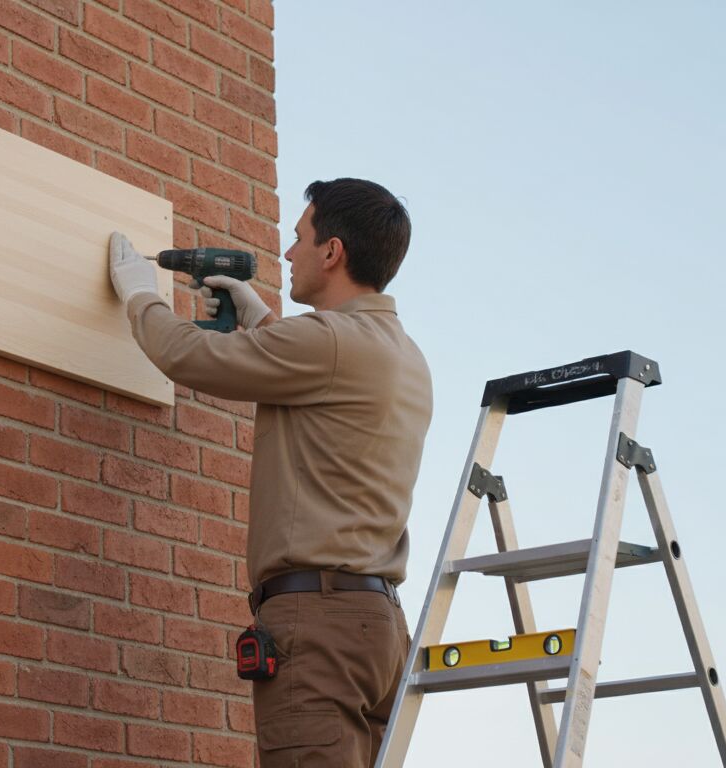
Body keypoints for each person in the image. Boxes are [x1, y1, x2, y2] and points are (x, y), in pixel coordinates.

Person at [109, 178, 432, 767]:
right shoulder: (404, 354)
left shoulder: (329, 341)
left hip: (318, 624)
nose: (287, 254)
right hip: (377, 627)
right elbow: (317, 370)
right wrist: (259, 319)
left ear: (332, 252)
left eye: (299, 237)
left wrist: (140, 297)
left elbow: (191, 356)